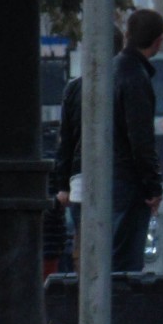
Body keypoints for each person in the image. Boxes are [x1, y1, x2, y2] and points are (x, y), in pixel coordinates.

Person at [51, 25, 122, 270]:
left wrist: (63, 186)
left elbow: (65, 142)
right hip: (118, 181)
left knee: (87, 245)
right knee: (116, 249)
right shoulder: (125, 86)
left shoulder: (75, 88)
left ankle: (87, 296)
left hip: (81, 182)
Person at [112, 9, 163, 272]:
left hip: (108, 179)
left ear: (128, 35)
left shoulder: (113, 70)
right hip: (128, 183)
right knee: (126, 264)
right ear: (158, 40)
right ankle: (121, 312)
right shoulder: (136, 77)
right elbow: (141, 139)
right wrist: (152, 187)